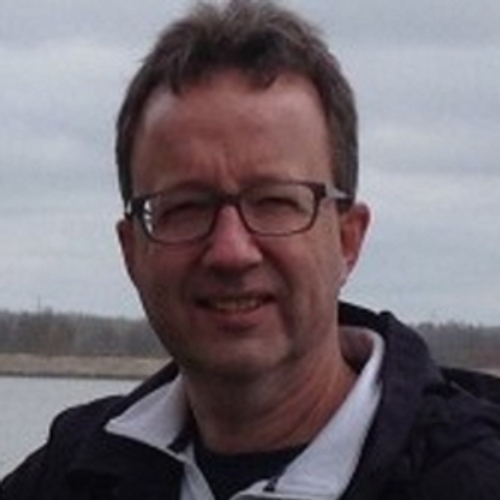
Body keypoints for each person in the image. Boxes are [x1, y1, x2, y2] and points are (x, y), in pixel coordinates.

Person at [2, 1, 500, 498]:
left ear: (348, 239)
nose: (230, 252)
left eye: (275, 202)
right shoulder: (67, 476)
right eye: (186, 207)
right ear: (131, 250)